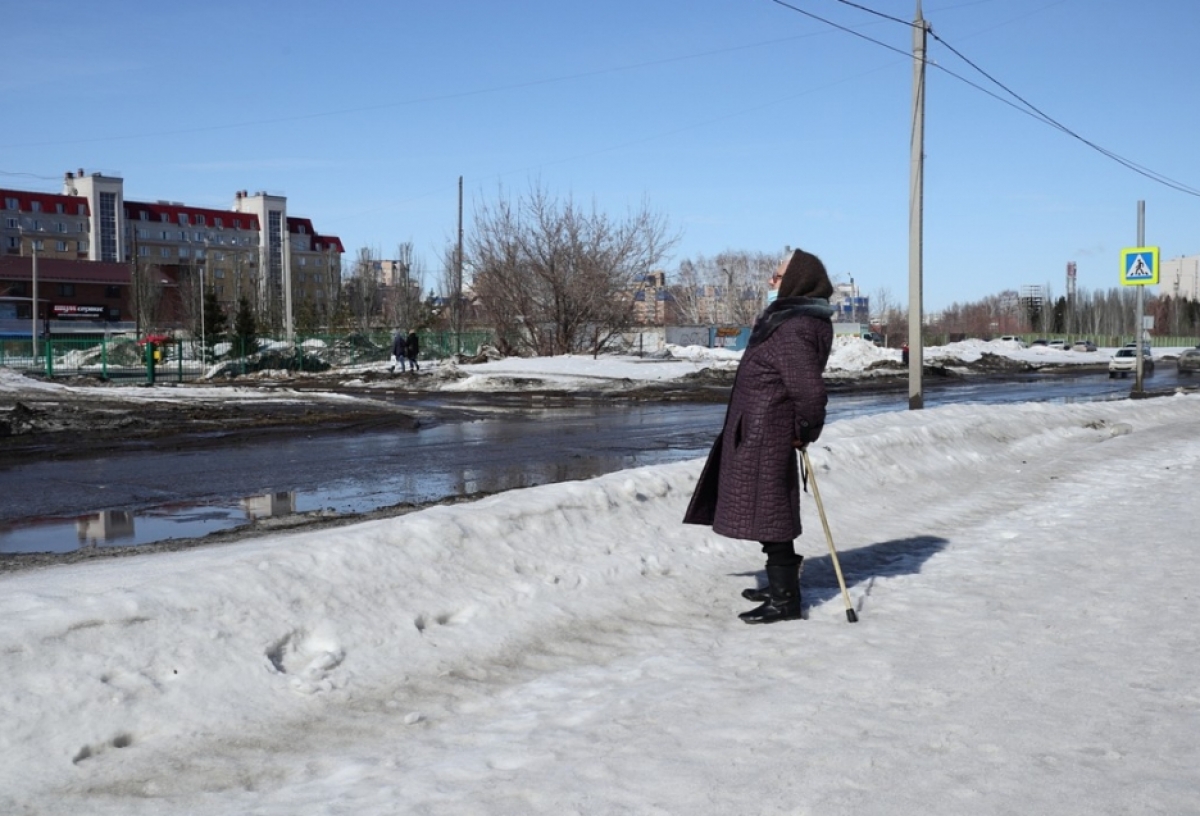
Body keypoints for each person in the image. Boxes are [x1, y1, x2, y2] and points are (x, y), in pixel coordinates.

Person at [683, 249, 835, 624]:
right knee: (768, 509)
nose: (770, 281)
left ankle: (786, 601)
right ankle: (780, 582)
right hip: (762, 429)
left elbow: (810, 392)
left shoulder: (794, 327)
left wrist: (804, 429)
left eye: (778, 276)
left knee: (771, 513)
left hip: (768, 433)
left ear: (798, 281)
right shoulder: (792, 320)